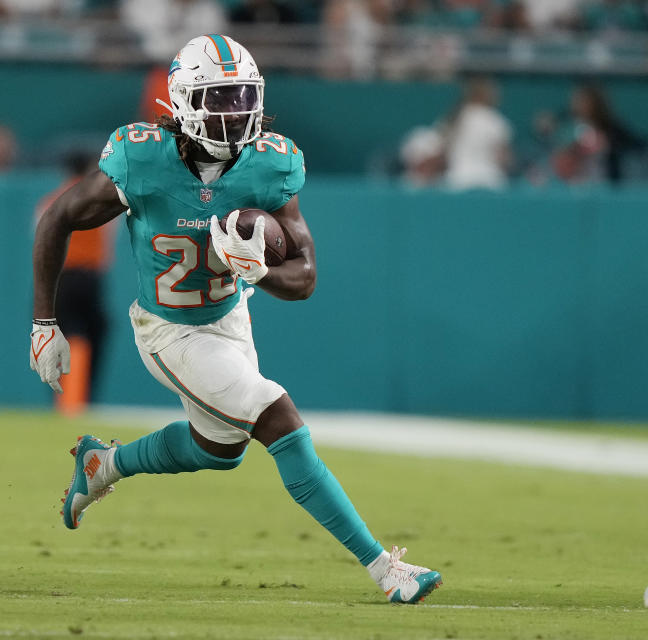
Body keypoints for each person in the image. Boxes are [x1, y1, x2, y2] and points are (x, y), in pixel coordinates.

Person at [30, 34, 443, 604]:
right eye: (219, 98)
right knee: (278, 417)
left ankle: (105, 463)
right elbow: (58, 218)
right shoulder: (140, 158)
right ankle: (383, 568)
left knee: (219, 449)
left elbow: (304, 279)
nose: (234, 113)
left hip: (229, 318)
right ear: (180, 102)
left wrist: (256, 274)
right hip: (169, 329)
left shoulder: (270, 165)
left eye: (243, 97)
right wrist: (43, 322)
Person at [33, 150, 115, 414]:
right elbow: (109, 238)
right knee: (90, 335)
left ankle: (65, 399)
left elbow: (42, 239)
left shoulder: (51, 200)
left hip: (61, 277)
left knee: (62, 336)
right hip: (90, 276)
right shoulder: (98, 199)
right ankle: (80, 399)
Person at [442, 76, 512, 191]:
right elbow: (503, 158)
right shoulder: (495, 121)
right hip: (490, 179)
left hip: (457, 179)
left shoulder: (453, 118)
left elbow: (444, 150)